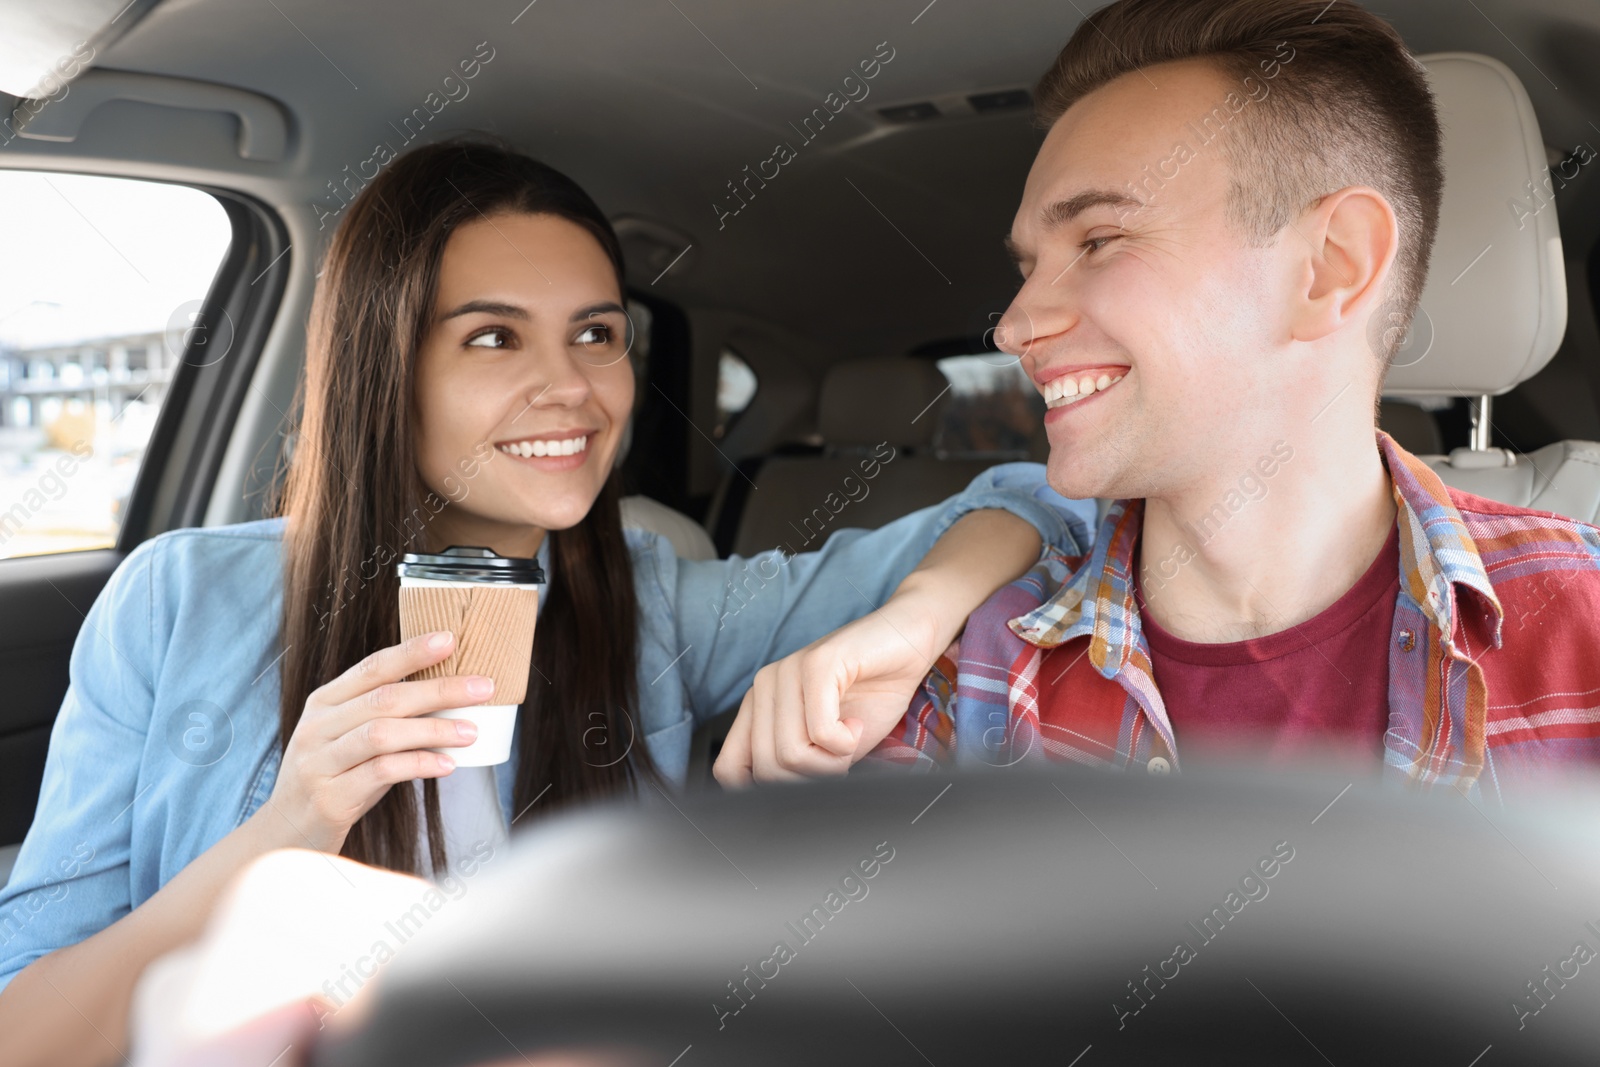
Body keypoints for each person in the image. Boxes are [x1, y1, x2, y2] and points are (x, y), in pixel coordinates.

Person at [0, 139, 1091, 1065]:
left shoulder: (661, 606)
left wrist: (906, 623)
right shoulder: (181, 598)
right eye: (492, 336)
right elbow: (25, 1028)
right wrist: (294, 822)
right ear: (387, 367)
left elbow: (1040, 500)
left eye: (596, 332)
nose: (568, 385)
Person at [715, 0, 1600, 795]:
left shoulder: (1581, 627)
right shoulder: (966, 678)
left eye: (1099, 240)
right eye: (1027, 268)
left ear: (1331, 266)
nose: (1013, 326)